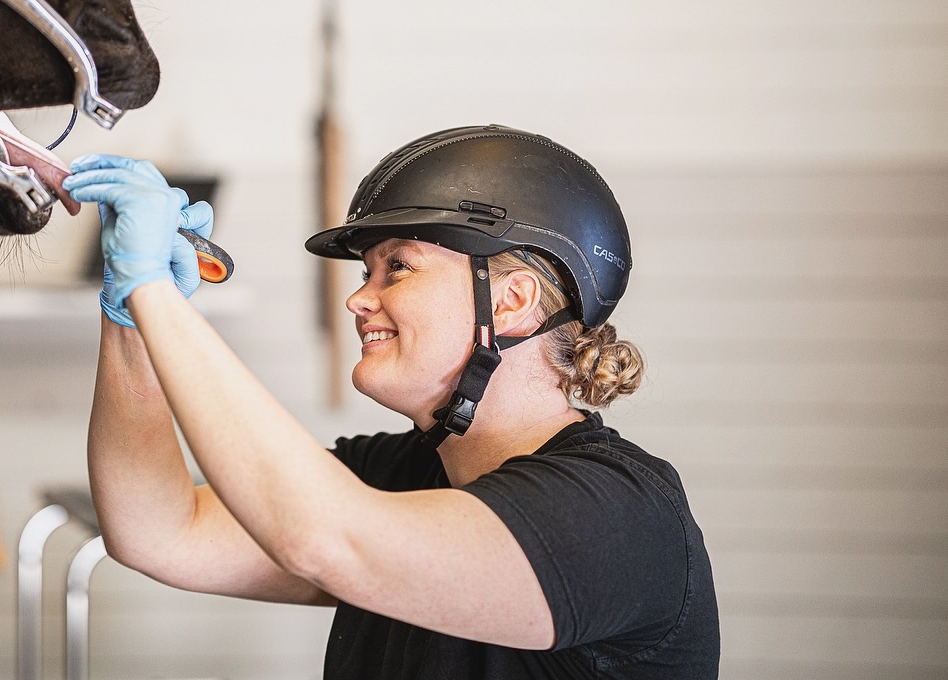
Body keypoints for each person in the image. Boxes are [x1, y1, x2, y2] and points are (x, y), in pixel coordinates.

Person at [62, 124, 720, 679]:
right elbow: (158, 531)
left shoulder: (619, 514)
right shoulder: (399, 478)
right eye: (364, 273)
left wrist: (156, 294)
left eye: (397, 267)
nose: (358, 299)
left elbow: (331, 540)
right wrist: (132, 318)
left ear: (513, 302)